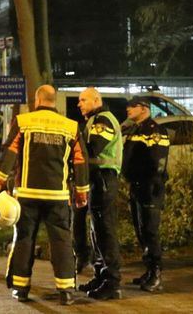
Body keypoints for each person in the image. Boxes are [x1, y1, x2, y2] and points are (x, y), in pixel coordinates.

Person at [0, 84, 89, 305]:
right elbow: (80, 160)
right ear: (53, 101)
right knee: (62, 241)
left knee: (25, 239)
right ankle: (65, 290)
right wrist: (81, 192)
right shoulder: (70, 126)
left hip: (27, 195)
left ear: (37, 101)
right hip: (58, 196)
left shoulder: (24, 122)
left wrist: (0, 179)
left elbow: (10, 151)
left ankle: (21, 288)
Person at [74, 88, 124, 300]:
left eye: (83, 100)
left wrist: (73, 142)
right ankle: (100, 275)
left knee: (105, 231)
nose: (79, 104)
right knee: (97, 231)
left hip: (104, 179)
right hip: (98, 180)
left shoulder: (103, 120)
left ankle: (111, 282)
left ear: (96, 100)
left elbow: (93, 148)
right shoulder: (95, 120)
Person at [122, 96, 170, 293]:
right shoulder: (134, 130)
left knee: (150, 231)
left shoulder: (156, 131)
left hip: (150, 187)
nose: (128, 109)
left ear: (144, 108)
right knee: (141, 230)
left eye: (132, 106)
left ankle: (156, 273)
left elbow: (157, 162)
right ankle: (149, 271)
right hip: (137, 186)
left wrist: (150, 182)